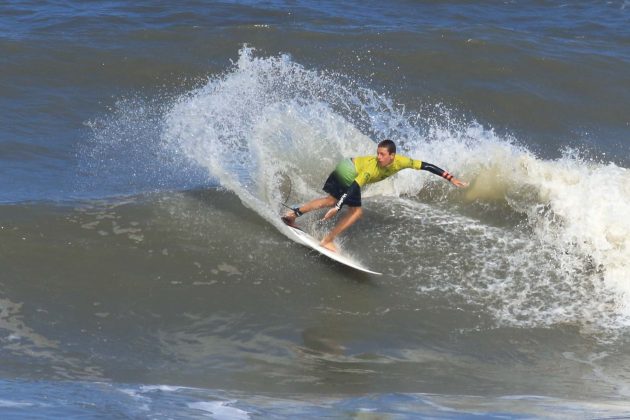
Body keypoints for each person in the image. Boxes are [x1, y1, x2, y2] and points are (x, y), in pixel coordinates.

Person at [282, 139, 467, 252]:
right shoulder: (372, 168)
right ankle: (327, 241)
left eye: (382, 154)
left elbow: (426, 165)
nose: (378, 157)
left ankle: (293, 215)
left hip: (345, 165)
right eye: (377, 153)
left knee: (328, 200)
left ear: (392, 156)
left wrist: (451, 178)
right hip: (349, 172)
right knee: (355, 212)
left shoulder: (402, 161)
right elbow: (355, 186)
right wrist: (337, 208)